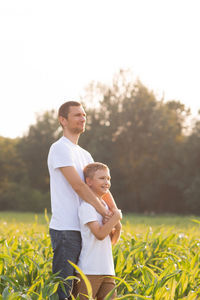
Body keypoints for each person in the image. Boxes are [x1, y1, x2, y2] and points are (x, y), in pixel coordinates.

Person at [47, 101, 117, 300]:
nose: (83, 118)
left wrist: (114, 211)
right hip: (67, 229)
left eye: (84, 115)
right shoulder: (59, 148)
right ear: (63, 120)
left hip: (87, 228)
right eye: (77, 115)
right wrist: (104, 212)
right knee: (65, 289)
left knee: (81, 292)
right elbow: (79, 186)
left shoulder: (85, 154)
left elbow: (101, 187)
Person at [76, 162, 122, 300]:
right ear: (88, 182)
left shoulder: (105, 207)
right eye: (102, 178)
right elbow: (100, 234)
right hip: (89, 270)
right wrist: (117, 217)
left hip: (107, 269)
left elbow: (112, 240)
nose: (107, 182)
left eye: (108, 179)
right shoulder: (87, 207)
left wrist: (118, 226)